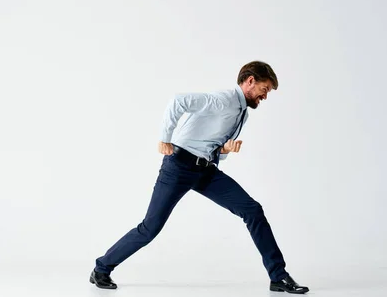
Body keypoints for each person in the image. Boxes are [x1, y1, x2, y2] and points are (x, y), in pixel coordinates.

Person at [89, 61, 309, 294]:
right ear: (250, 81)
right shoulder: (223, 100)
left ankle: (278, 277)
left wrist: (224, 150)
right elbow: (179, 101)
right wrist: (165, 138)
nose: (265, 96)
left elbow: (211, 145)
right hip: (178, 167)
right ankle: (101, 268)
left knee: (252, 210)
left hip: (205, 171)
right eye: (264, 89)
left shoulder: (242, 113)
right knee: (150, 228)